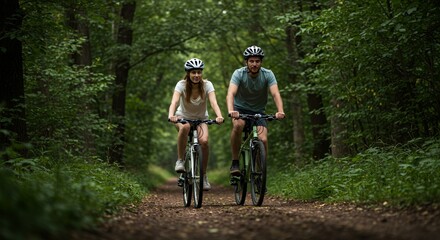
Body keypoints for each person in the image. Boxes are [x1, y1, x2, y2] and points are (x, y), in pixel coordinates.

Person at [226, 45, 285, 176]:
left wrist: (280, 111)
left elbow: (275, 94)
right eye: (251, 61)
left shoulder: (268, 74)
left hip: (258, 112)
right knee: (238, 125)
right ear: (246, 62)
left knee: (263, 140)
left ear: (261, 62)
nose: (254, 64)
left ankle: (261, 170)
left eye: (257, 61)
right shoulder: (238, 73)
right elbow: (231, 93)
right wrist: (231, 110)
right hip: (240, 110)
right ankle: (235, 161)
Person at [168, 58, 224, 191]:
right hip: (182, 117)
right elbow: (174, 102)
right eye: (193, 72)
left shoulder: (207, 85)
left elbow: (213, 102)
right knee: (186, 127)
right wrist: (171, 115)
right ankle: (180, 160)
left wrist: (219, 115)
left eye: (199, 72)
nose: (196, 75)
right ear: (188, 73)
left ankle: (203, 176)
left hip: (201, 119)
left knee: (204, 142)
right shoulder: (181, 85)